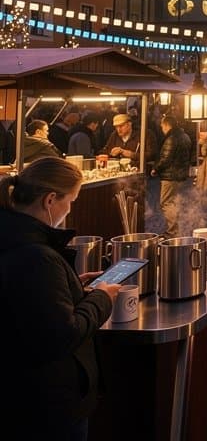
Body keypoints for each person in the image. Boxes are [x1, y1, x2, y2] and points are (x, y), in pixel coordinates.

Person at [0, 157, 121, 440]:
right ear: (50, 200)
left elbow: (22, 302)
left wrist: (70, 288)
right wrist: (102, 297)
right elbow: (62, 334)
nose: (70, 209)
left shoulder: (11, 237)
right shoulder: (35, 254)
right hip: (44, 402)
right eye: (72, 200)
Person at [151, 115, 192, 238]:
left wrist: (155, 168)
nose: (162, 129)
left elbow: (166, 159)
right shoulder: (185, 136)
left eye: (162, 126)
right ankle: (176, 229)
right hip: (181, 175)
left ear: (167, 125)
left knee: (166, 203)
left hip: (170, 176)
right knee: (174, 203)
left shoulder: (171, 139)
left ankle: (172, 231)